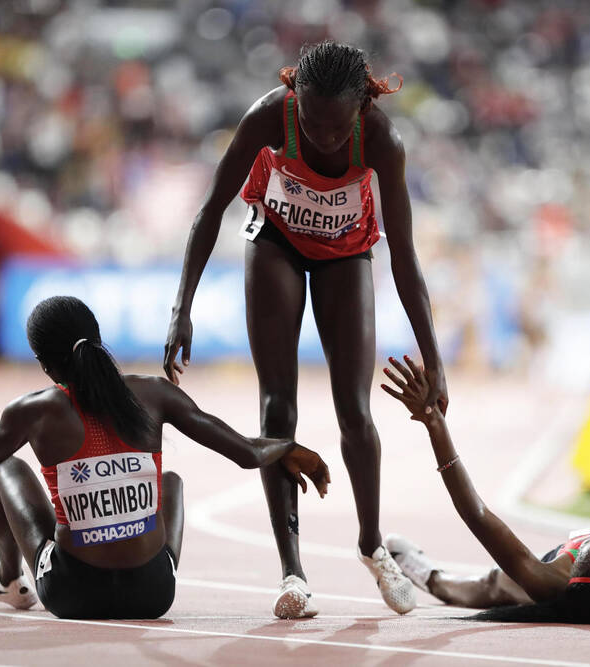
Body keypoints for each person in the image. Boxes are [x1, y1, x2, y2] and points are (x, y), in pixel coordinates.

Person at [162, 41, 448, 618]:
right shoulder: (271, 115)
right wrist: (181, 307)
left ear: (361, 109)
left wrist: (433, 358)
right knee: (277, 406)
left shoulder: (382, 141)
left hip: (347, 252)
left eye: (337, 127)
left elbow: (405, 257)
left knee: (355, 410)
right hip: (277, 241)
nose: (323, 137)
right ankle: (292, 572)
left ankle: (372, 546)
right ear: (296, 100)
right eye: (312, 123)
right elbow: (211, 208)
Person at [0, 296, 330, 620]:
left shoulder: (34, 410)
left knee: (6, 467)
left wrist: (13, 424)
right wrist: (288, 446)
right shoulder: (155, 392)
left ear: (44, 364)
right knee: (170, 482)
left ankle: (9, 580)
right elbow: (248, 453)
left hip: (72, 593)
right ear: (97, 341)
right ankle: (151, 561)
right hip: (152, 592)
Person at [380, 310, 590, 623]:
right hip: (589, 583)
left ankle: (433, 578)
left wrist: (434, 424)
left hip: (557, 580)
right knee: (508, 581)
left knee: (496, 584)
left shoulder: (556, 581)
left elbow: (477, 515)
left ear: (573, 574)